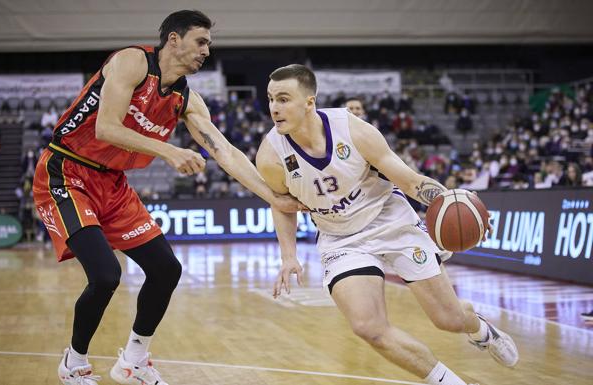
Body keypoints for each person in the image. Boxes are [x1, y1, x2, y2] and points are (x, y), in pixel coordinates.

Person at [33, 11, 302, 385]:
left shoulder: (187, 100)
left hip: (112, 183)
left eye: (209, 43)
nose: (207, 51)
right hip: (66, 171)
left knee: (166, 269)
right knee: (106, 274)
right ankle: (74, 362)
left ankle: (133, 362)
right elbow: (106, 127)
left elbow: (224, 151)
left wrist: (275, 197)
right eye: (201, 41)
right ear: (173, 40)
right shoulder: (131, 62)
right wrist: (169, 151)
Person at [256, 64, 519, 385]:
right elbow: (281, 205)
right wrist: (288, 255)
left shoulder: (353, 130)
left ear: (309, 102)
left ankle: (481, 330)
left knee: (448, 319)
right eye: (271, 99)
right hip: (341, 239)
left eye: (283, 99)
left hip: (390, 220)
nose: (274, 108)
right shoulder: (271, 154)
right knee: (369, 328)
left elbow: (409, 180)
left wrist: (457, 202)